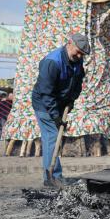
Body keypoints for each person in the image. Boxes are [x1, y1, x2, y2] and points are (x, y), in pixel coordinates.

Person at [31, 33, 89, 187]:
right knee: (52, 136)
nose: (79, 56)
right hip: (44, 102)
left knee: (53, 137)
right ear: (69, 43)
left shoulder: (77, 60)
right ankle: (53, 177)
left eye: (82, 54)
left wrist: (72, 99)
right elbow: (46, 92)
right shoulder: (52, 61)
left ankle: (50, 175)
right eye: (77, 51)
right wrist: (56, 116)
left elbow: (78, 82)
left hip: (60, 102)